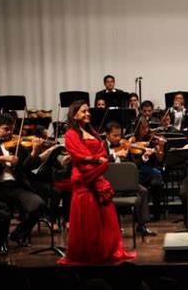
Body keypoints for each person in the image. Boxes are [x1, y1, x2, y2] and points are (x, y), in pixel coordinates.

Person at [57, 100, 135, 265]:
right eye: (83, 111)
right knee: (89, 219)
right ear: (74, 114)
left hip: (97, 176)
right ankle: (90, 253)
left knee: (103, 215)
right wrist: (97, 160)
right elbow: (79, 155)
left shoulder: (93, 133)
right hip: (84, 179)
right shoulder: (71, 133)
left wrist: (100, 161)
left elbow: (101, 151)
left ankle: (105, 250)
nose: (88, 114)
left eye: (88, 111)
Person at [0, 113, 47, 247]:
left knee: (38, 204)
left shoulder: (17, 143)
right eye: (6, 129)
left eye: (11, 129)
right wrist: (3, 159)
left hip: (16, 186)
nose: (9, 132)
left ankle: (18, 235)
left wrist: (35, 152)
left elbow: (28, 166)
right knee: (1, 213)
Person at [103, 121, 157, 236]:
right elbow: (98, 160)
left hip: (124, 182)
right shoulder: (101, 146)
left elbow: (134, 165)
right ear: (107, 135)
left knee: (143, 191)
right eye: (115, 135)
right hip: (106, 183)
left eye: (120, 135)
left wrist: (144, 156)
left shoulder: (125, 146)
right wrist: (115, 155)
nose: (118, 138)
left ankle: (142, 226)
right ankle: (110, 227)